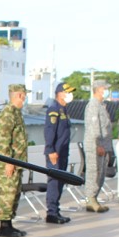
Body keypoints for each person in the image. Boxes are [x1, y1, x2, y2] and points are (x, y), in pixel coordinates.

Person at [0, 83, 30, 237]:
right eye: (24, 95)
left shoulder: (16, 113)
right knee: (7, 193)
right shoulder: (7, 114)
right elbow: (3, 141)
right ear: (19, 95)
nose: (25, 98)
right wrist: (8, 162)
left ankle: (9, 224)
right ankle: (3, 226)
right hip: (9, 162)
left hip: (18, 161)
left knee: (14, 193)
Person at [44, 82, 75, 224]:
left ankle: (56, 211)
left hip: (63, 152)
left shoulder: (64, 110)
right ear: (59, 93)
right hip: (55, 153)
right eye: (67, 92)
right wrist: (50, 150)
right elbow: (50, 131)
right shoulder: (54, 110)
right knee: (54, 182)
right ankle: (51, 213)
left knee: (60, 181)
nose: (70, 95)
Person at [83, 80, 112, 213]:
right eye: (104, 88)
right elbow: (93, 127)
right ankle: (90, 199)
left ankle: (94, 198)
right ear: (98, 89)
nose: (105, 91)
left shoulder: (101, 105)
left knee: (100, 173)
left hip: (103, 145)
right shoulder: (93, 105)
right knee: (94, 172)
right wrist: (98, 144)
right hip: (95, 145)